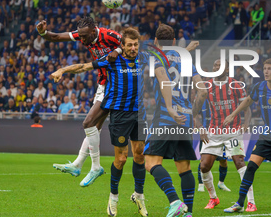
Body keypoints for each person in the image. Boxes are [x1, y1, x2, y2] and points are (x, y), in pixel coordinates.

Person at [52, 28, 150, 216]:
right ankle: (113, 198)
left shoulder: (145, 59)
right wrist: (63, 70)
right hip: (120, 115)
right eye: (129, 45)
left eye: (136, 44)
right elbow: (84, 66)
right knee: (121, 159)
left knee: (139, 156)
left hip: (140, 113)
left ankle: (139, 195)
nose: (133, 48)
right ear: (122, 45)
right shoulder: (112, 59)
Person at [37, 16, 121, 186]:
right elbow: (55, 37)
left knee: (89, 123)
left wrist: (118, 51)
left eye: (84, 36)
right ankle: (77, 165)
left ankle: (96, 167)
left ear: (94, 30)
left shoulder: (108, 35)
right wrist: (42, 32)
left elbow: (129, 41)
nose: (81, 39)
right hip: (103, 82)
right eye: (80, 36)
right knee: (95, 126)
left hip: (116, 84)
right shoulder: (83, 33)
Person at [143, 24, 206, 217]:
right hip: (185, 119)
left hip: (165, 117)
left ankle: (175, 201)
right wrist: (193, 115)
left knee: (151, 162)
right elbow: (203, 91)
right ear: (173, 42)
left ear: (155, 41)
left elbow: (164, 78)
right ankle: (189, 212)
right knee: (184, 167)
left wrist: (170, 108)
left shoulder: (155, 57)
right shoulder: (187, 61)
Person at [224, 58, 271, 215]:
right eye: (265, 68)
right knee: (251, 167)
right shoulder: (259, 87)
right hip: (266, 135)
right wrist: (233, 114)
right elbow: (247, 101)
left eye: (270, 69)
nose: (266, 71)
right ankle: (239, 203)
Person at [199, 59, 256, 211]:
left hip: (233, 130)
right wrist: (200, 128)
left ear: (227, 69)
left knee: (239, 162)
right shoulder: (207, 85)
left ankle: (251, 202)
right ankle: (213, 198)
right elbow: (195, 109)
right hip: (213, 131)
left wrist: (246, 124)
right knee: (204, 166)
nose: (216, 67)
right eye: (215, 65)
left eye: (220, 66)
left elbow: (247, 107)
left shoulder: (235, 84)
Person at [197, 99, 231, 193]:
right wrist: (200, 127)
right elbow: (194, 115)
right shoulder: (201, 101)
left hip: (221, 134)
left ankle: (221, 183)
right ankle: (201, 184)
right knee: (203, 161)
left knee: (223, 160)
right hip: (206, 134)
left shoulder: (222, 100)